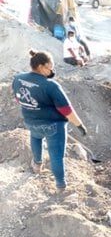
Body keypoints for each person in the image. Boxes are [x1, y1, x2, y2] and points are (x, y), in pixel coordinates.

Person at [12, 50, 87, 190]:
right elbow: (67, 110)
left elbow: (18, 99)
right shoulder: (51, 85)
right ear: (41, 66)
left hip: (30, 121)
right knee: (56, 155)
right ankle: (60, 185)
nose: (52, 70)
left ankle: (37, 164)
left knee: (35, 138)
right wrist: (80, 125)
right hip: (53, 126)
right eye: (50, 67)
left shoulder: (18, 78)